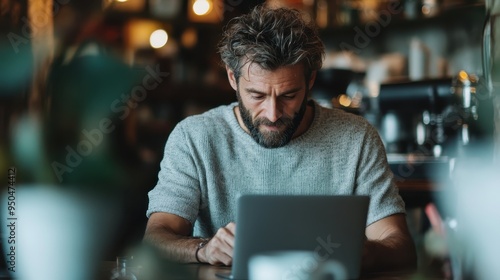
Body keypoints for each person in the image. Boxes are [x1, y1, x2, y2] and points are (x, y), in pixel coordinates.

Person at [144, 4, 417, 272]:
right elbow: (156, 238)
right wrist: (204, 249)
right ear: (232, 78)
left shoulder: (357, 138)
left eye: (288, 96)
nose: (273, 114)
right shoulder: (194, 138)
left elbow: (400, 245)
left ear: (310, 81)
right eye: (257, 96)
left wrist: (362, 251)